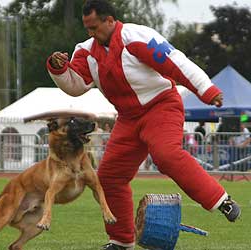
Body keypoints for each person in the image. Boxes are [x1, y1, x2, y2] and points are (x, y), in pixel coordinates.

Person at [46, 1, 241, 249]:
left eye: (94, 27)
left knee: (166, 155)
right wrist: (59, 68)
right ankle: (121, 240)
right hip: (128, 117)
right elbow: (76, 87)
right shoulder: (85, 51)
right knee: (109, 177)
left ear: (110, 21)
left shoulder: (136, 37)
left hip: (161, 106)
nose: (90, 34)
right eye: (87, 28)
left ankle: (221, 200)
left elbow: (176, 63)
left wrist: (206, 89)